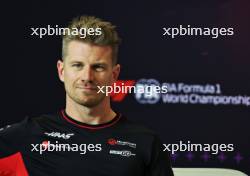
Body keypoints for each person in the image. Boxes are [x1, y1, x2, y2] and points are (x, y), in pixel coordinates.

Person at [0, 15, 174, 176]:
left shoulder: (146, 144)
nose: (87, 77)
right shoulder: (26, 136)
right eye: (77, 65)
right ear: (61, 70)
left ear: (114, 75)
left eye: (98, 67)